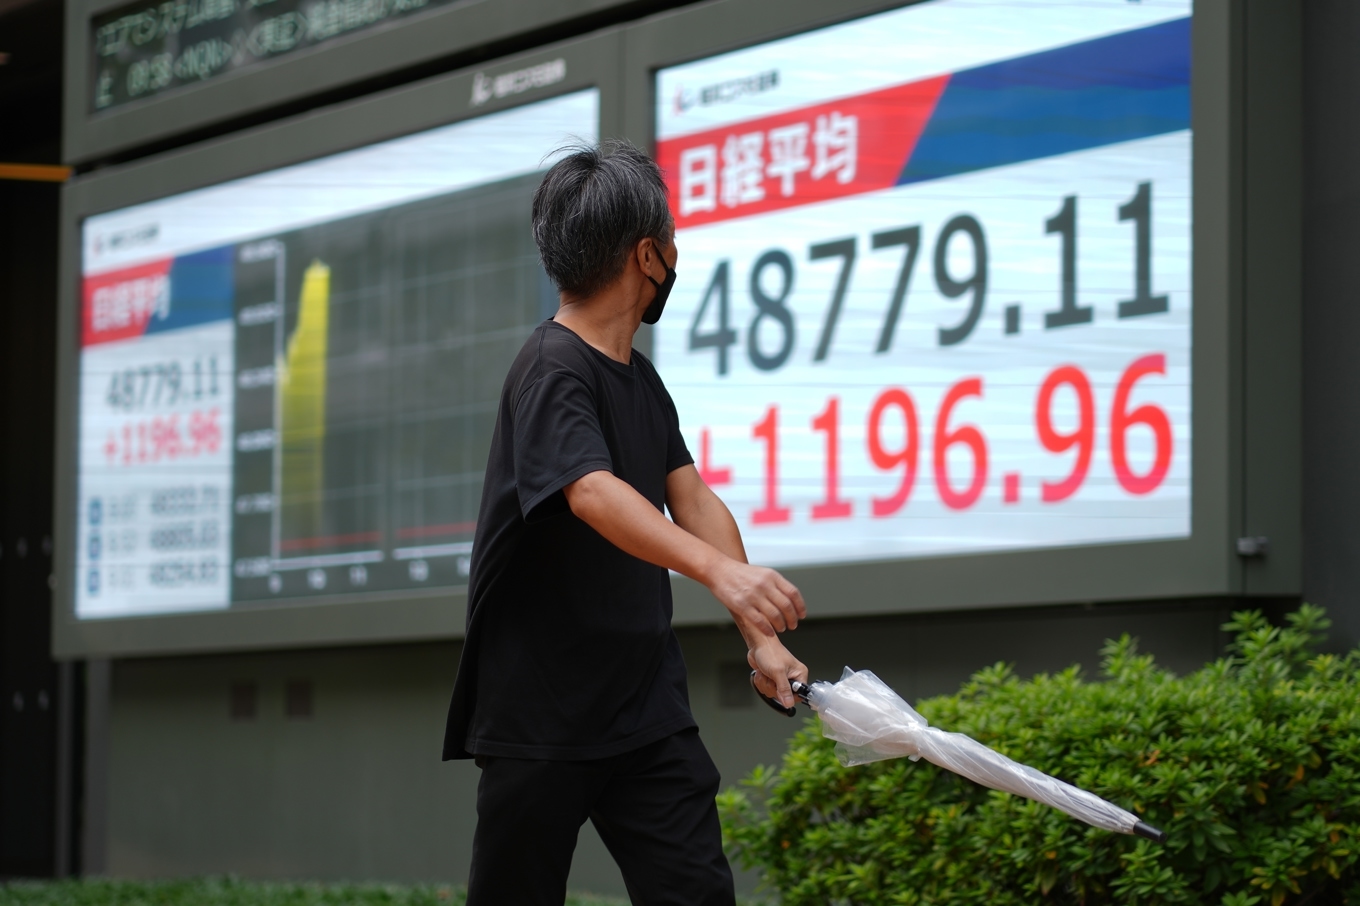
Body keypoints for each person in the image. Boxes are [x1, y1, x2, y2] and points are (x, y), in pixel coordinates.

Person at [443, 139, 808, 906]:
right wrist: (722, 574)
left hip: (642, 708)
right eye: (670, 240)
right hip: (540, 715)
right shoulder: (549, 368)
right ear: (650, 255)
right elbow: (591, 492)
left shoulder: (641, 379)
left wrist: (761, 638)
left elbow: (694, 499)